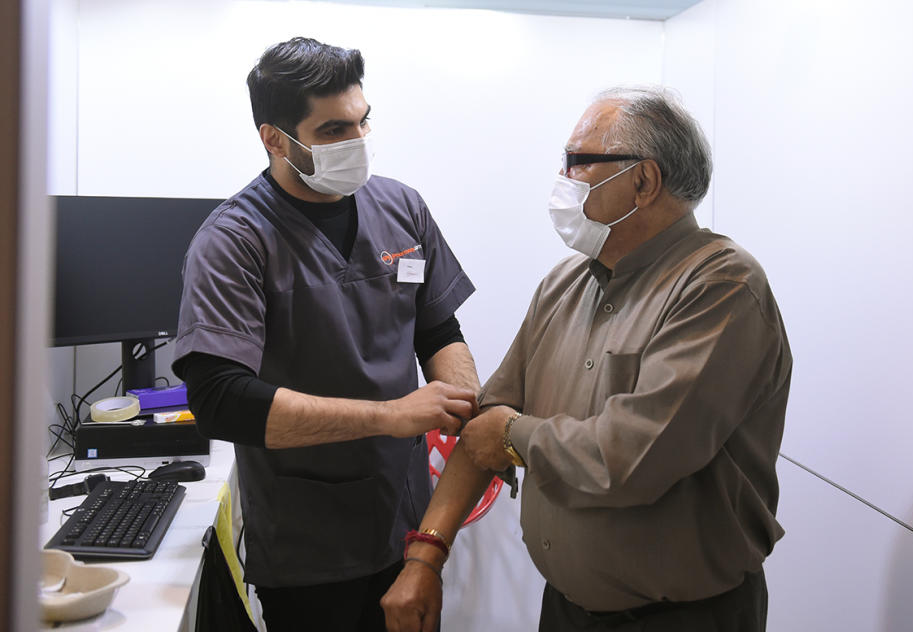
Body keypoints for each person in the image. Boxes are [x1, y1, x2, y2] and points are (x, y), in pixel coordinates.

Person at [381, 86, 793, 632]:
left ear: (643, 181)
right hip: (567, 609)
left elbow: (631, 458)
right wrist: (426, 555)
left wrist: (515, 434)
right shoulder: (565, 283)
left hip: (682, 618)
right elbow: (485, 429)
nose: (562, 178)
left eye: (577, 162)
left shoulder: (720, 286)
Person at [172, 37, 484, 632]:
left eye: (364, 122)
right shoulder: (233, 241)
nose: (358, 143)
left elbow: (437, 324)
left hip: (409, 524)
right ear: (274, 138)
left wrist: (465, 402)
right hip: (309, 545)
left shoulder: (401, 207)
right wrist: (391, 415)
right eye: (335, 130)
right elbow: (220, 401)